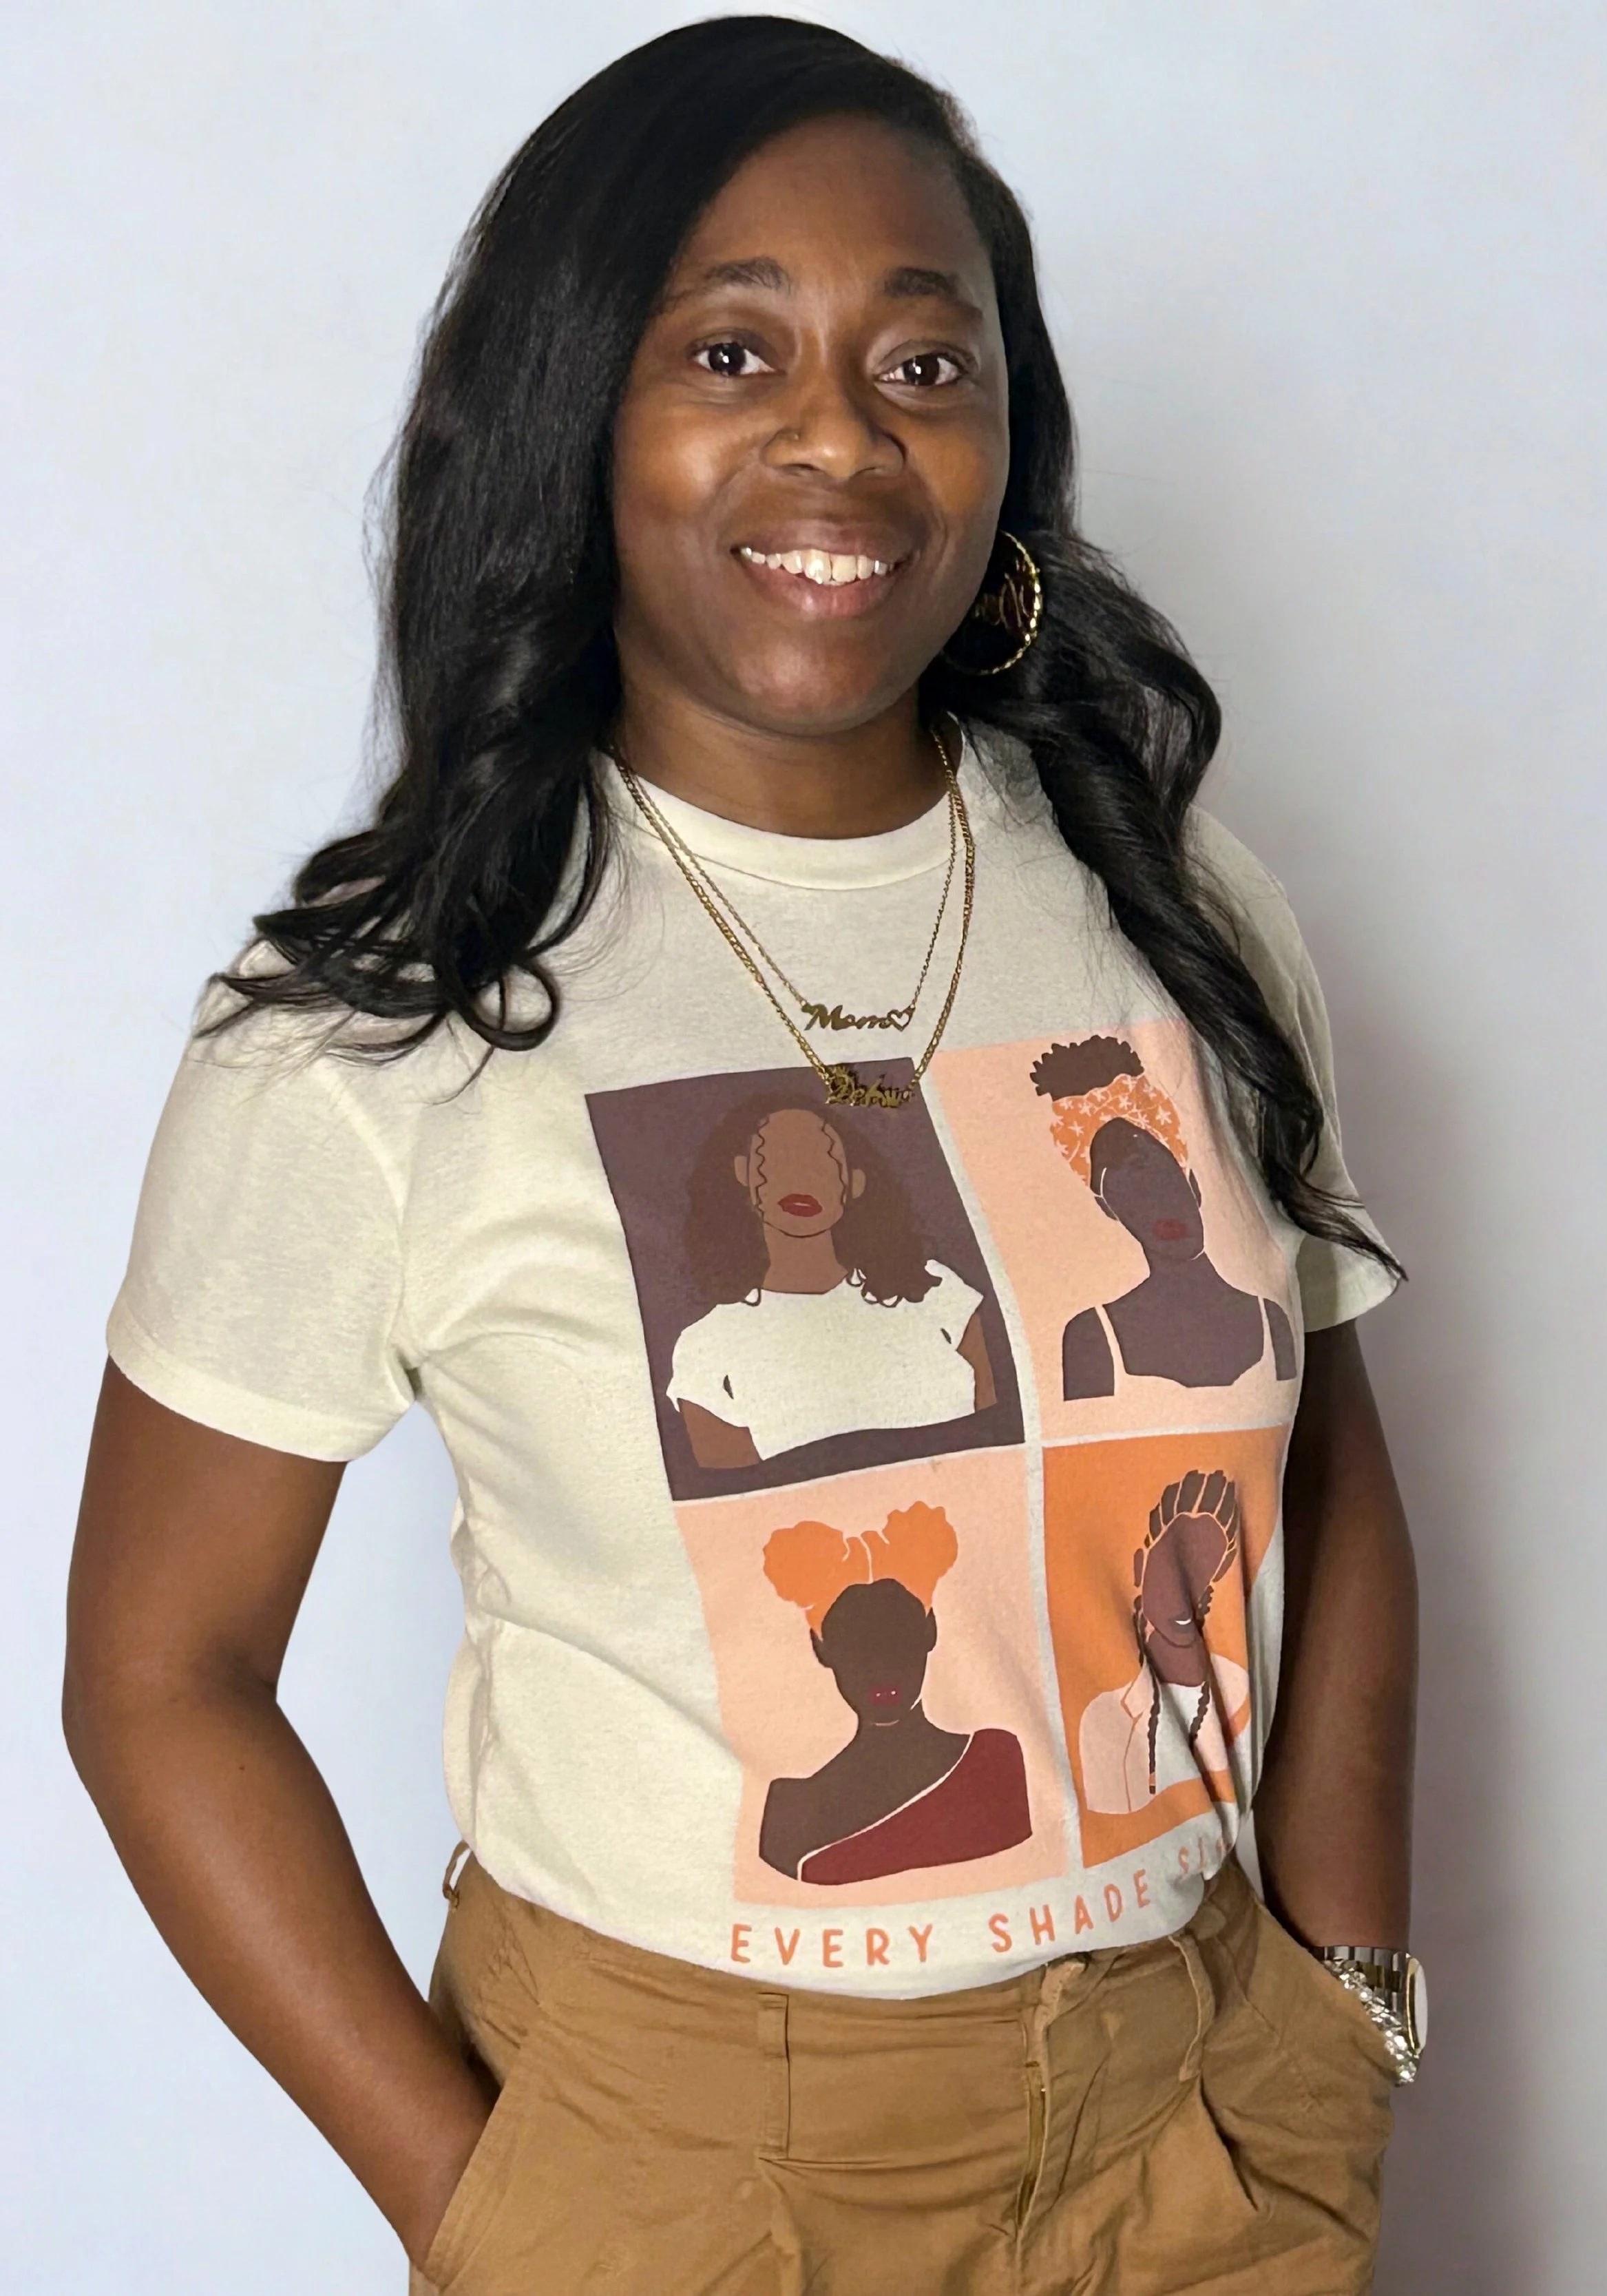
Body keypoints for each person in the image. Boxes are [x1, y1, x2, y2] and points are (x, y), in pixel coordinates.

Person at [63, 19, 1423, 2295]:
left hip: (1203, 2117)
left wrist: (1346, 2010)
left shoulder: (1173, 895)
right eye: (729, 348)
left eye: (924, 362)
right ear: (579, 408)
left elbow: (1332, 1461)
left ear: (1005, 434)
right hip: (683, 2153)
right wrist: (493, 2209)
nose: (838, 438)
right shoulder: (383, 1022)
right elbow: (157, 1673)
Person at [669, 1091, 994, 1466]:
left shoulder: (934, 1291)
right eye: (779, 1159)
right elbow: (735, 1503)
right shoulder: (706, 1346)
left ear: (853, 1185)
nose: (801, 1179)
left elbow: (998, 1433)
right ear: (743, 1173)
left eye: (822, 1162)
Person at [758, 1502, 1031, 1883]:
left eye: (898, 1634)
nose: (880, 1665)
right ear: (822, 1648)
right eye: (856, 1641)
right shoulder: (792, 1807)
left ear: (929, 1630)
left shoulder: (992, 1758)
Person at [1031, 1033, 1300, 1397]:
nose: (1156, 1203)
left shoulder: (1272, 1322)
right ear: (1109, 1209)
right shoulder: (1094, 1335)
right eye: (1130, 1191)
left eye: (1162, 1175)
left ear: (1194, 1184)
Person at [1078, 1468, 1253, 1819]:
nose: (1197, 1589)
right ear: (1141, 1564)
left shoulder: (1240, 1691)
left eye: (1210, 1572)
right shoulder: (1102, 1715)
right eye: (1178, 1559)